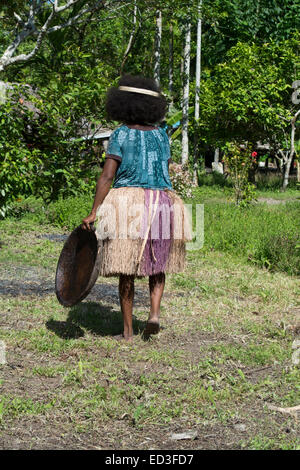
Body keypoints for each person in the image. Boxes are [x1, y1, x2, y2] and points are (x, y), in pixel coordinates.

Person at [82, 75, 190, 342]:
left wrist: (94, 211)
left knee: (126, 267)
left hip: (128, 203)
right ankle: (154, 314)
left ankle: (128, 331)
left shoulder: (120, 134)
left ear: (124, 105)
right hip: (162, 202)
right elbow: (163, 172)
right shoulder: (162, 136)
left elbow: (107, 176)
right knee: (158, 260)